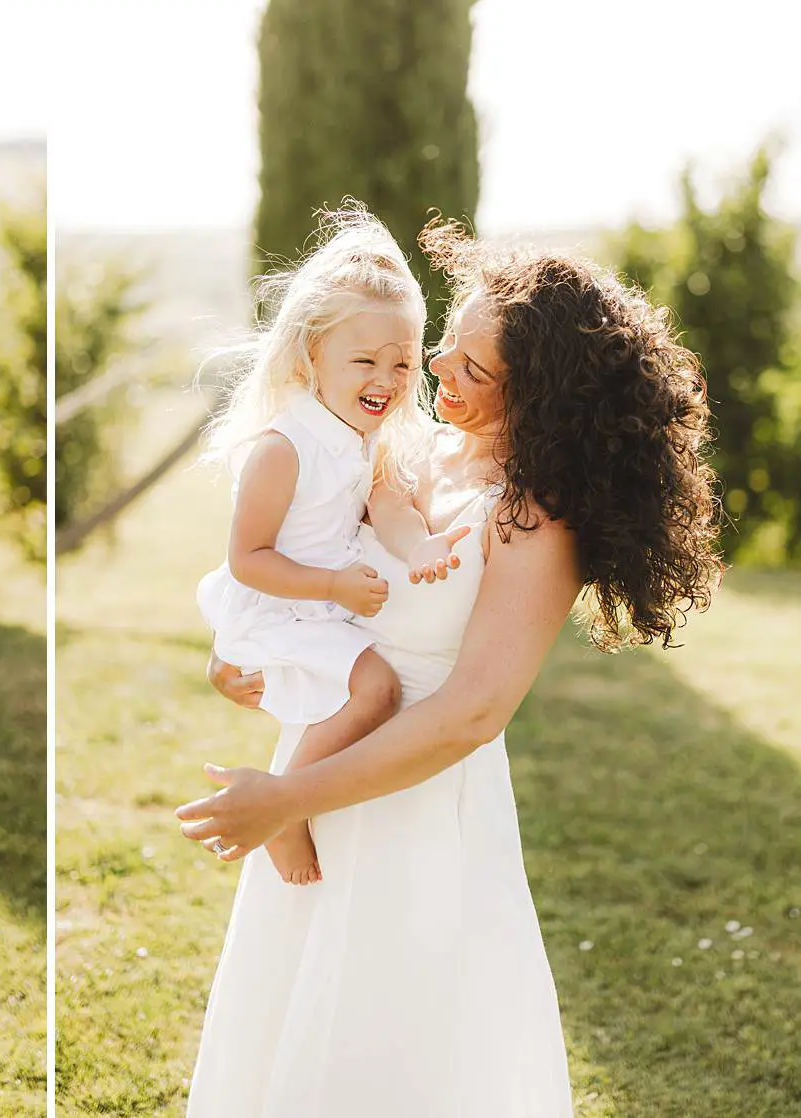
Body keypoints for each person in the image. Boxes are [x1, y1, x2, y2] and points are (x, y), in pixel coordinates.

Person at [176, 219, 721, 1116]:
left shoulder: (536, 518)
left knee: (393, 1047)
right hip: (321, 766)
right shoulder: (410, 448)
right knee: (293, 1019)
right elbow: (305, 567)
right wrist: (245, 647)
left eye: (473, 370)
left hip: (417, 804)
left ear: (542, 395)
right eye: (445, 350)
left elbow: (473, 712)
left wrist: (287, 801)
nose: (434, 375)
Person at [194, 207, 465, 884]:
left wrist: (422, 550)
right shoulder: (285, 449)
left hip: (324, 606)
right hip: (284, 602)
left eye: (402, 361)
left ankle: (292, 798)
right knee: (376, 690)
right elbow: (247, 559)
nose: (387, 377)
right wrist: (334, 588)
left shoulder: (367, 438)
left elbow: (390, 507)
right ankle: (283, 809)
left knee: (369, 694)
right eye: (365, 359)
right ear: (312, 356)